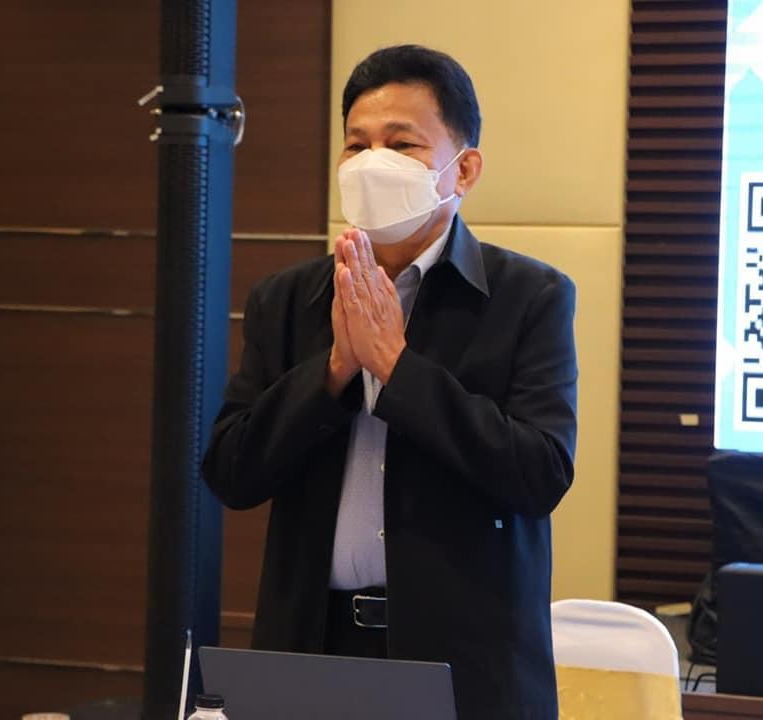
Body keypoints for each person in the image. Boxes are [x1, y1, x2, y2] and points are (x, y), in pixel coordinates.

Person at [202, 44, 578, 720]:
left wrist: (397, 369)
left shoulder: (531, 297)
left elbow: (540, 473)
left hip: (463, 663)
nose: (373, 163)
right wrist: (335, 371)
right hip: (311, 648)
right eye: (357, 145)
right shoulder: (287, 300)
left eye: (401, 145)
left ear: (464, 169)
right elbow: (232, 472)